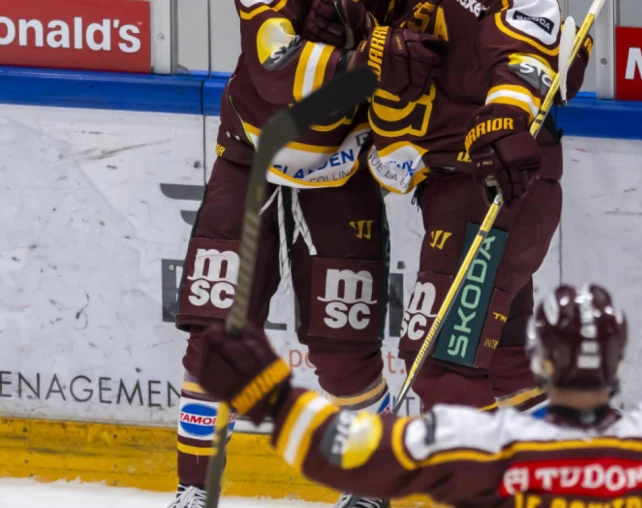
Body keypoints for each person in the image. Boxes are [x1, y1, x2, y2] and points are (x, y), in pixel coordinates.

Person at [190, 195, 642, 507]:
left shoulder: (486, 448)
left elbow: (344, 449)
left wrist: (271, 399)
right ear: (617, 359)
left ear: (541, 361)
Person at [168, 1, 439, 506]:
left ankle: (368, 484)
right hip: (251, 158)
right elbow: (273, 59)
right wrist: (357, 63)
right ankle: (193, 488)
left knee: (344, 353)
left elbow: (419, 74)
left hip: (342, 172)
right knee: (213, 335)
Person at [298, 0, 594, 425]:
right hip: (452, 189)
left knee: (442, 369)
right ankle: (584, 472)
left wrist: (506, 116)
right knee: (505, 368)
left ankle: (500, 492)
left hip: (494, 185)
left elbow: (524, 49)